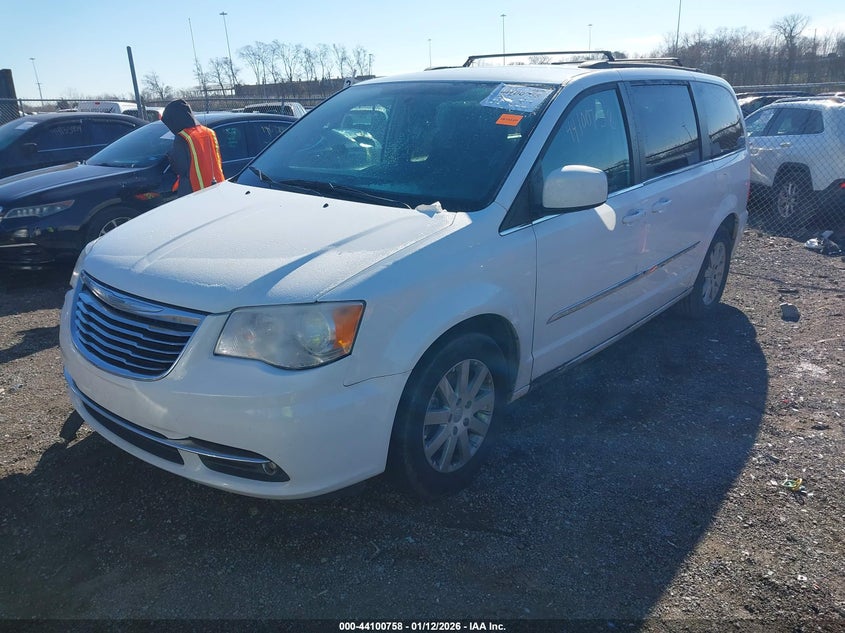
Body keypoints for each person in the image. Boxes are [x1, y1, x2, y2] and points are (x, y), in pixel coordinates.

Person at [161, 99, 224, 196]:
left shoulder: (182, 137)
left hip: (193, 189)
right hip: (215, 184)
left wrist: (170, 157)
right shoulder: (209, 132)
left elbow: (181, 168)